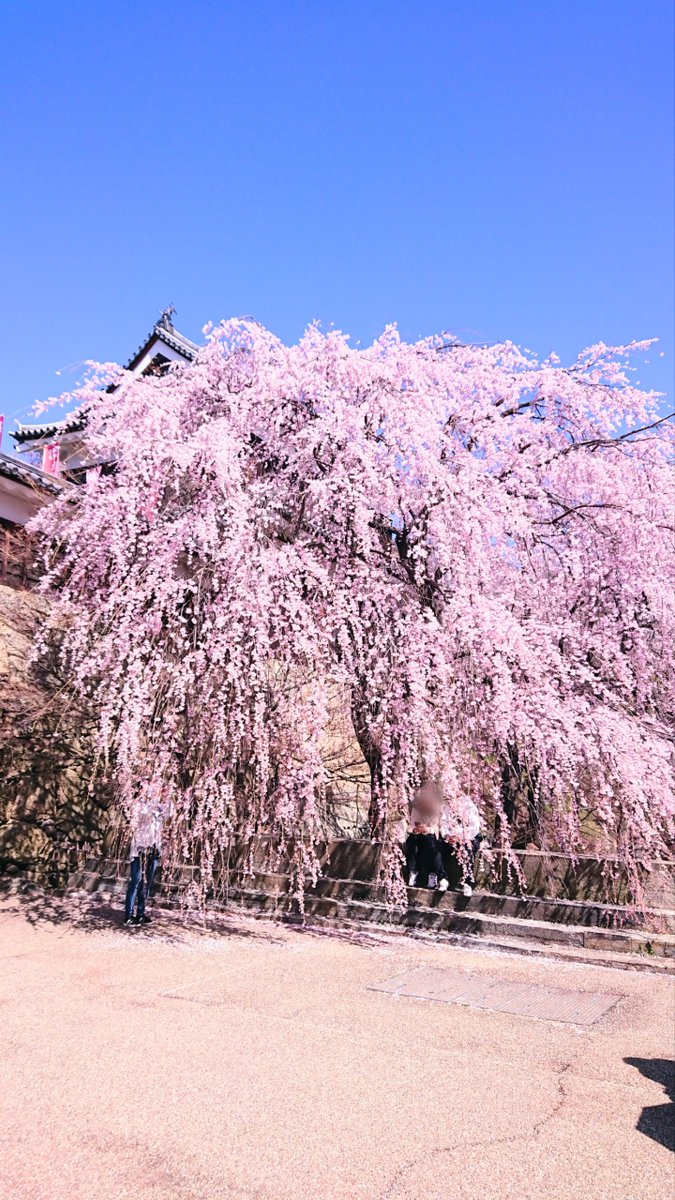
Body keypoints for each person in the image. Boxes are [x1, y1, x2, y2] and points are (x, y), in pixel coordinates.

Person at [124, 801, 164, 927]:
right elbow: (135, 817)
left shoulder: (160, 807)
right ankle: (128, 916)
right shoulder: (139, 805)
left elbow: (170, 810)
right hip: (139, 848)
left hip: (154, 848)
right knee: (136, 881)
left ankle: (141, 913)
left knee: (146, 883)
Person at [404, 784, 449, 892]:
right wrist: (416, 829)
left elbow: (440, 826)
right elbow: (412, 824)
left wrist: (429, 829)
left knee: (431, 843)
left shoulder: (438, 810)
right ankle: (413, 871)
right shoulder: (416, 809)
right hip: (419, 836)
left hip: (433, 836)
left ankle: (436, 875)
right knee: (412, 840)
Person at [439, 794, 482, 897]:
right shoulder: (448, 806)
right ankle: (443, 878)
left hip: (467, 837)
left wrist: (461, 836)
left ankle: (468, 883)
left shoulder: (468, 805)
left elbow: (474, 826)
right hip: (452, 837)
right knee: (440, 847)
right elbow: (443, 823)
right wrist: (447, 835)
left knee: (466, 849)